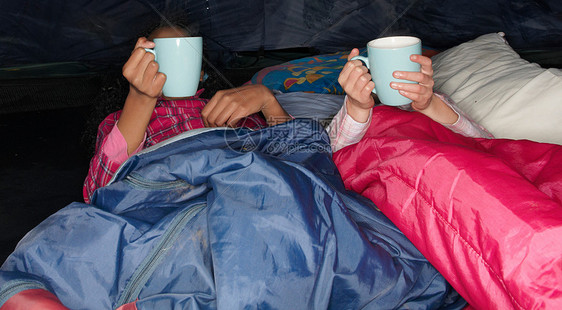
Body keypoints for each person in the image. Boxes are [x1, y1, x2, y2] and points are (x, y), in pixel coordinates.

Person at [83, 24, 292, 203]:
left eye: (186, 55)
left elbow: (299, 159)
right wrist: (140, 100)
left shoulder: (235, 106)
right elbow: (100, 192)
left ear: (201, 73)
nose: (175, 64)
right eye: (160, 56)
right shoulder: (124, 119)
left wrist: (268, 102)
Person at [327, 48, 492, 152]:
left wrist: (430, 105)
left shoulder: (434, 102)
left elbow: (488, 145)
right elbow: (327, 159)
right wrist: (357, 108)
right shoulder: (359, 114)